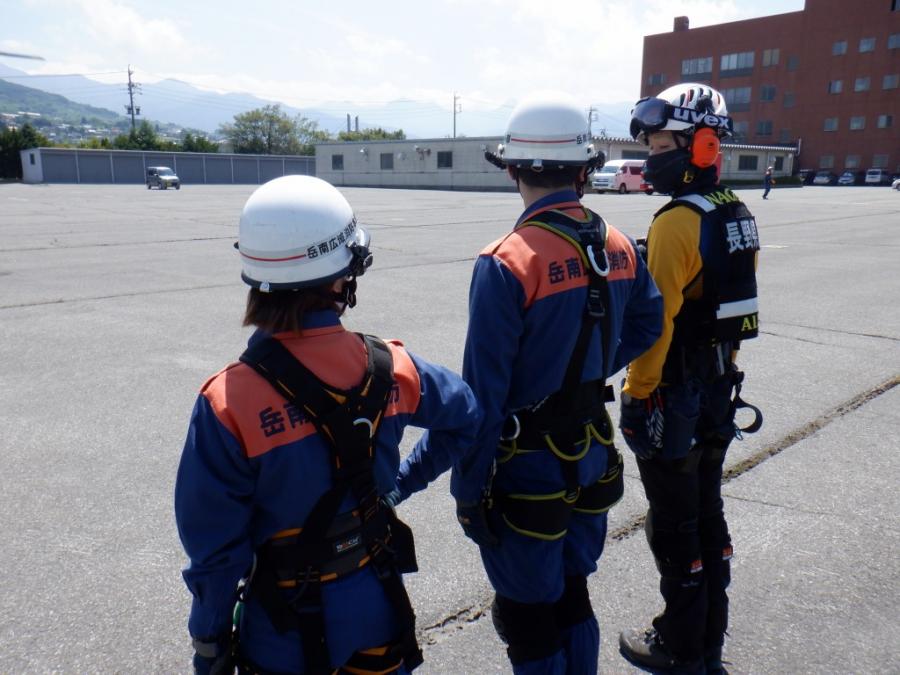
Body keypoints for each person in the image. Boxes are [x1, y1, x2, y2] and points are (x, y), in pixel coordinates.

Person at [392, 93, 663, 675]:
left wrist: (466, 492)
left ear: (512, 169)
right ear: (586, 169)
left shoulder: (507, 262)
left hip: (527, 470)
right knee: (573, 594)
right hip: (592, 449)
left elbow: (481, 402)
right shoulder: (619, 245)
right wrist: (586, 373)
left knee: (528, 617)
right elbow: (649, 323)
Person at [174, 175, 481, 675]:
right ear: (345, 275)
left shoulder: (227, 403)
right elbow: (465, 416)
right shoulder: (394, 368)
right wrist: (397, 487)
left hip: (281, 629)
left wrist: (209, 639)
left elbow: (214, 553)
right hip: (377, 604)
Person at [617, 83, 763, 675]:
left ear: (699, 143)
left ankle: (680, 645)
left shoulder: (678, 222)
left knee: (673, 523)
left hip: (673, 395)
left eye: (658, 141)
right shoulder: (738, 211)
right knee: (707, 513)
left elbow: (656, 326)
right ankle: (709, 636)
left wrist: (635, 393)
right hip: (720, 391)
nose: (652, 154)